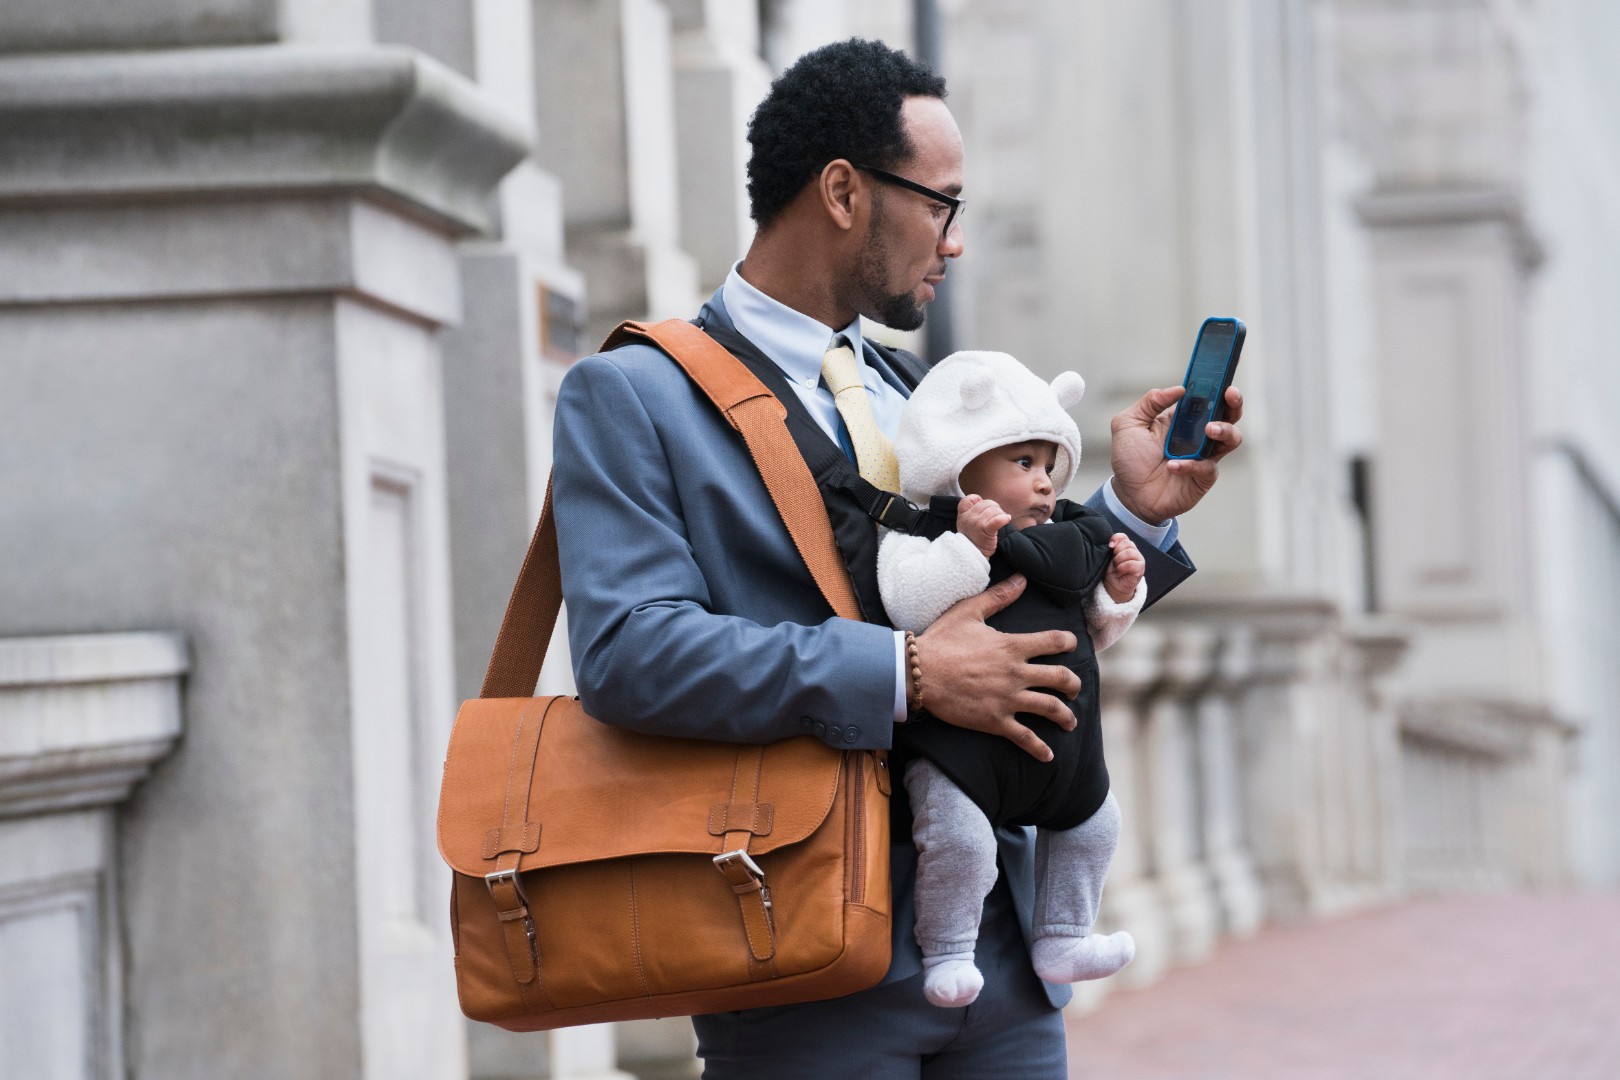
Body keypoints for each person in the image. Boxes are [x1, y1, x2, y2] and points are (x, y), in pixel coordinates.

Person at [551, 36, 1244, 1080]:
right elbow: (630, 655)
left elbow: (1004, 576)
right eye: (942, 203)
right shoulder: (635, 394)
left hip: (1005, 957)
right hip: (799, 961)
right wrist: (907, 678)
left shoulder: (923, 390)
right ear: (843, 191)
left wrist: (1132, 515)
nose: (954, 242)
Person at [877, 350, 1145, 1010]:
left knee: (1096, 827)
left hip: (1064, 753)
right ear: (960, 464)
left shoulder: (1062, 541)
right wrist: (969, 551)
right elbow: (908, 605)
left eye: (1048, 466)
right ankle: (947, 949)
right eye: (1022, 463)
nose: (1046, 483)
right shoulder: (922, 531)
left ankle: (1062, 935)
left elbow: (1092, 630)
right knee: (959, 841)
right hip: (962, 752)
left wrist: (1119, 591)